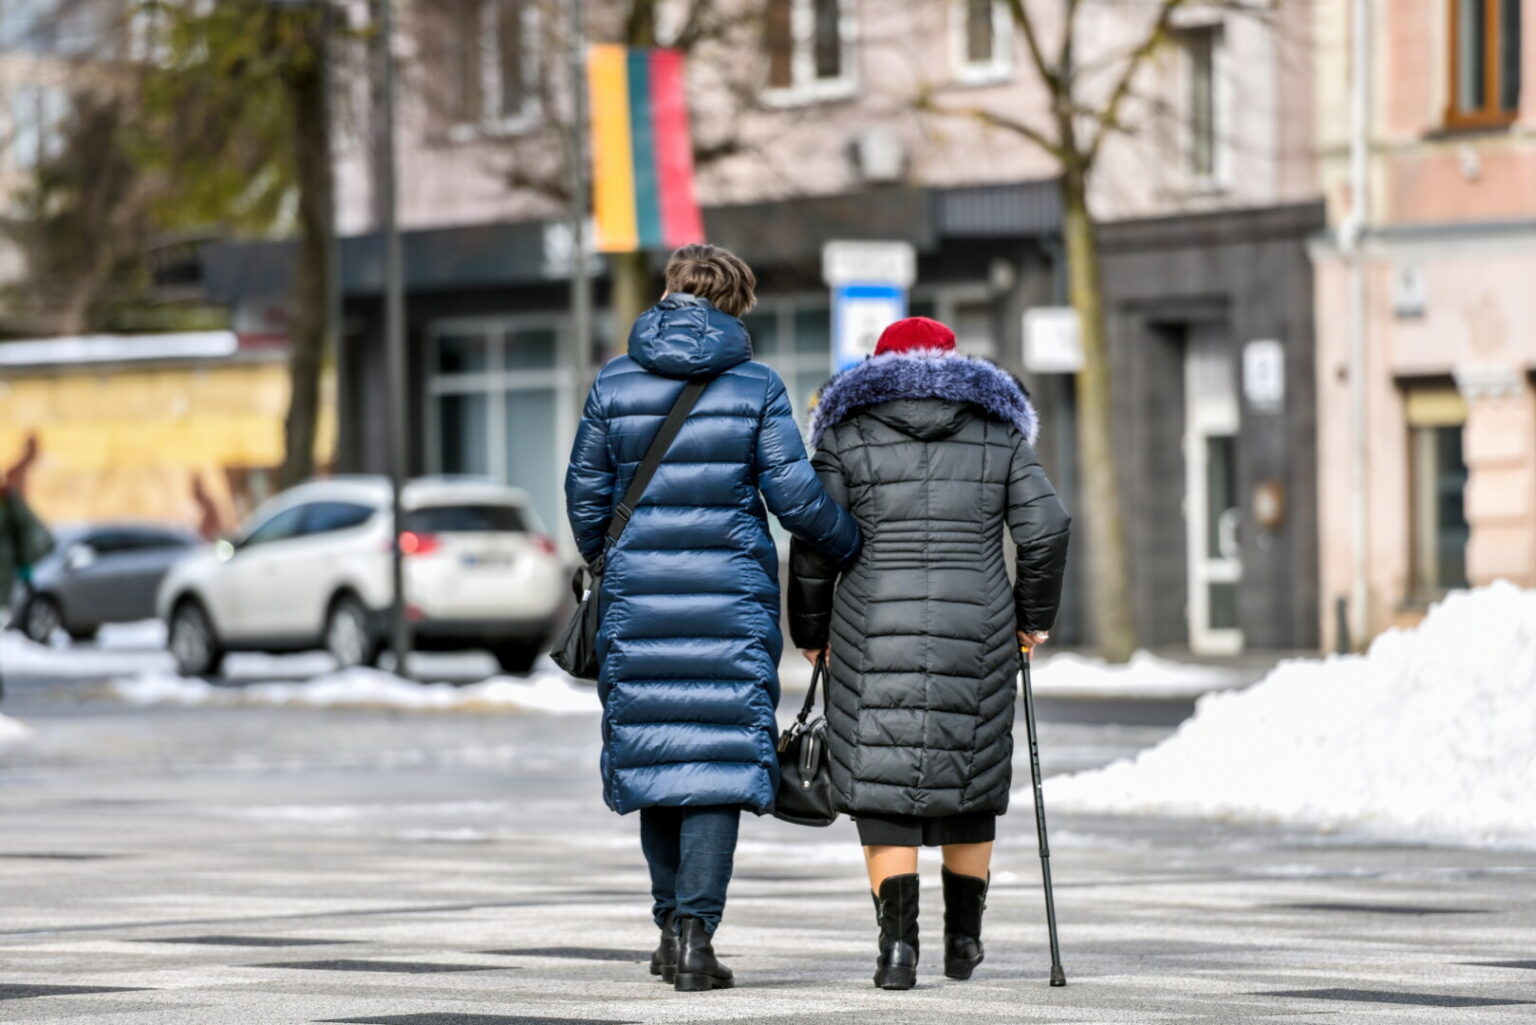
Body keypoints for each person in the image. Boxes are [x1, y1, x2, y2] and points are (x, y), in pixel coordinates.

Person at [564, 243, 860, 993]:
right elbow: (794, 500)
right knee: (717, 766)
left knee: (656, 753)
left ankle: (670, 928)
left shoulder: (614, 379)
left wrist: (621, 556)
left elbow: (584, 496)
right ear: (738, 302)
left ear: (671, 292)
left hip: (638, 599)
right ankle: (695, 935)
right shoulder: (756, 385)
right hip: (730, 602)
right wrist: (852, 540)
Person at [788, 317, 1070, 991]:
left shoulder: (844, 434)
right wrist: (1033, 618)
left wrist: (811, 628)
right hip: (977, 627)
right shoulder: (998, 432)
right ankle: (964, 940)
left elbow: (814, 540)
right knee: (968, 778)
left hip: (867, 624)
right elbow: (1048, 526)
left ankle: (896, 949)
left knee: (882, 787)